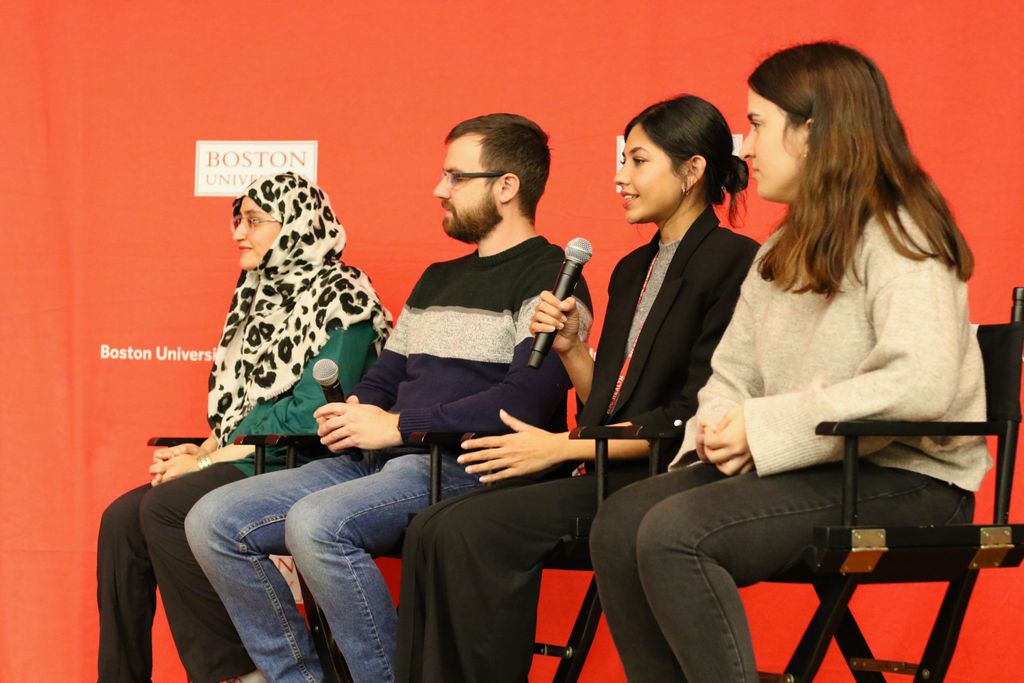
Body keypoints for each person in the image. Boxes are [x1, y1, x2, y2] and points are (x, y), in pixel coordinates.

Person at [589, 41, 990, 683]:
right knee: (618, 524)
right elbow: (733, 373)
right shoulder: (780, 245)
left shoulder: (902, 232)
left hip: (909, 480)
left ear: (813, 130)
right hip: (820, 469)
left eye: (756, 125)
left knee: (673, 534)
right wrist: (722, 430)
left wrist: (765, 428)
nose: (744, 149)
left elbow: (921, 383)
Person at [185, 113, 592, 683]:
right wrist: (356, 411)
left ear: (506, 187)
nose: (438, 190)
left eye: (455, 177)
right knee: (214, 518)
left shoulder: (554, 278)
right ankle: (299, 679)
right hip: (384, 459)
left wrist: (398, 425)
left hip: (467, 466)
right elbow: (386, 375)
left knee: (318, 524)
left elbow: (516, 408)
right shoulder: (436, 277)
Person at [394, 95, 759, 683]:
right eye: (623, 161)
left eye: (638, 162)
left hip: (666, 477)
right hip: (606, 466)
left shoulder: (736, 263)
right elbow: (607, 406)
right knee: (436, 526)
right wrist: (571, 349)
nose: (620, 178)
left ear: (692, 172)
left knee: (471, 529)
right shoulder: (631, 269)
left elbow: (689, 417)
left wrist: (562, 448)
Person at [96, 172, 390, 683]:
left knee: (164, 507)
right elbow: (243, 409)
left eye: (254, 221)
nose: (239, 232)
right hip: (253, 454)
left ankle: (242, 674)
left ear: (296, 227)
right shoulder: (257, 294)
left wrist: (208, 460)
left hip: (312, 461)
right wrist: (201, 446)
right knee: (120, 519)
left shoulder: (343, 294)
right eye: (239, 219)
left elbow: (311, 414)